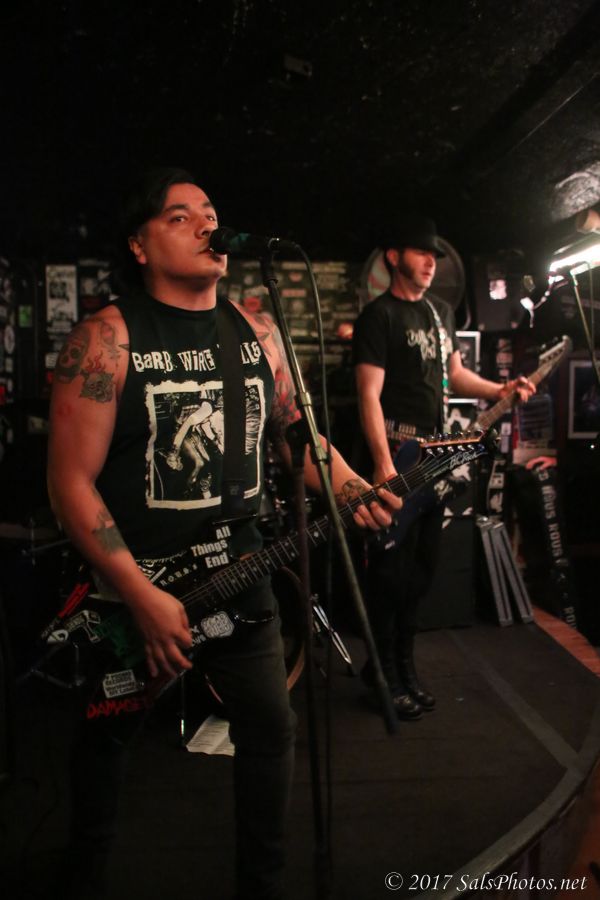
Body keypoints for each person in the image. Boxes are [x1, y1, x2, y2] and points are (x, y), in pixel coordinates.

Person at [46, 166, 401, 900]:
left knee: (271, 731)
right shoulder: (107, 338)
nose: (208, 224)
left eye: (210, 212)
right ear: (139, 244)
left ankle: (260, 886)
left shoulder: (257, 330)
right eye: (181, 216)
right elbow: (69, 483)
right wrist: (140, 595)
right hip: (135, 593)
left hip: (240, 576)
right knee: (104, 751)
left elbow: (297, 440)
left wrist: (353, 488)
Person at [352, 215, 536, 721]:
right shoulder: (379, 317)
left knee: (420, 572)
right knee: (389, 575)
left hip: (432, 456)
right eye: (421, 253)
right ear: (394, 257)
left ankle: (403, 668)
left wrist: (500, 390)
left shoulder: (438, 313)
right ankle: (383, 674)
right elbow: (368, 394)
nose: (431, 262)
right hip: (397, 453)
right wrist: (382, 464)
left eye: (435, 255)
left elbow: (454, 375)